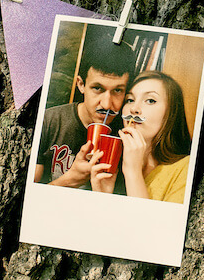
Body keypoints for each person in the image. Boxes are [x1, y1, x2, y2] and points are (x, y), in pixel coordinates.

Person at [34, 36, 137, 186]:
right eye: (97, 88)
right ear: (81, 84)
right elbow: (30, 199)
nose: (107, 104)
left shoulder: (128, 136)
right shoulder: (48, 121)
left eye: (117, 90)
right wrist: (69, 180)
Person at [91, 71, 191, 203]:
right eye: (130, 100)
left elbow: (147, 223)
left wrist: (133, 172)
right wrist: (103, 197)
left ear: (171, 112)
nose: (134, 109)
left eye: (150, 100)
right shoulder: (110, 166)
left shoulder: (186, 168)